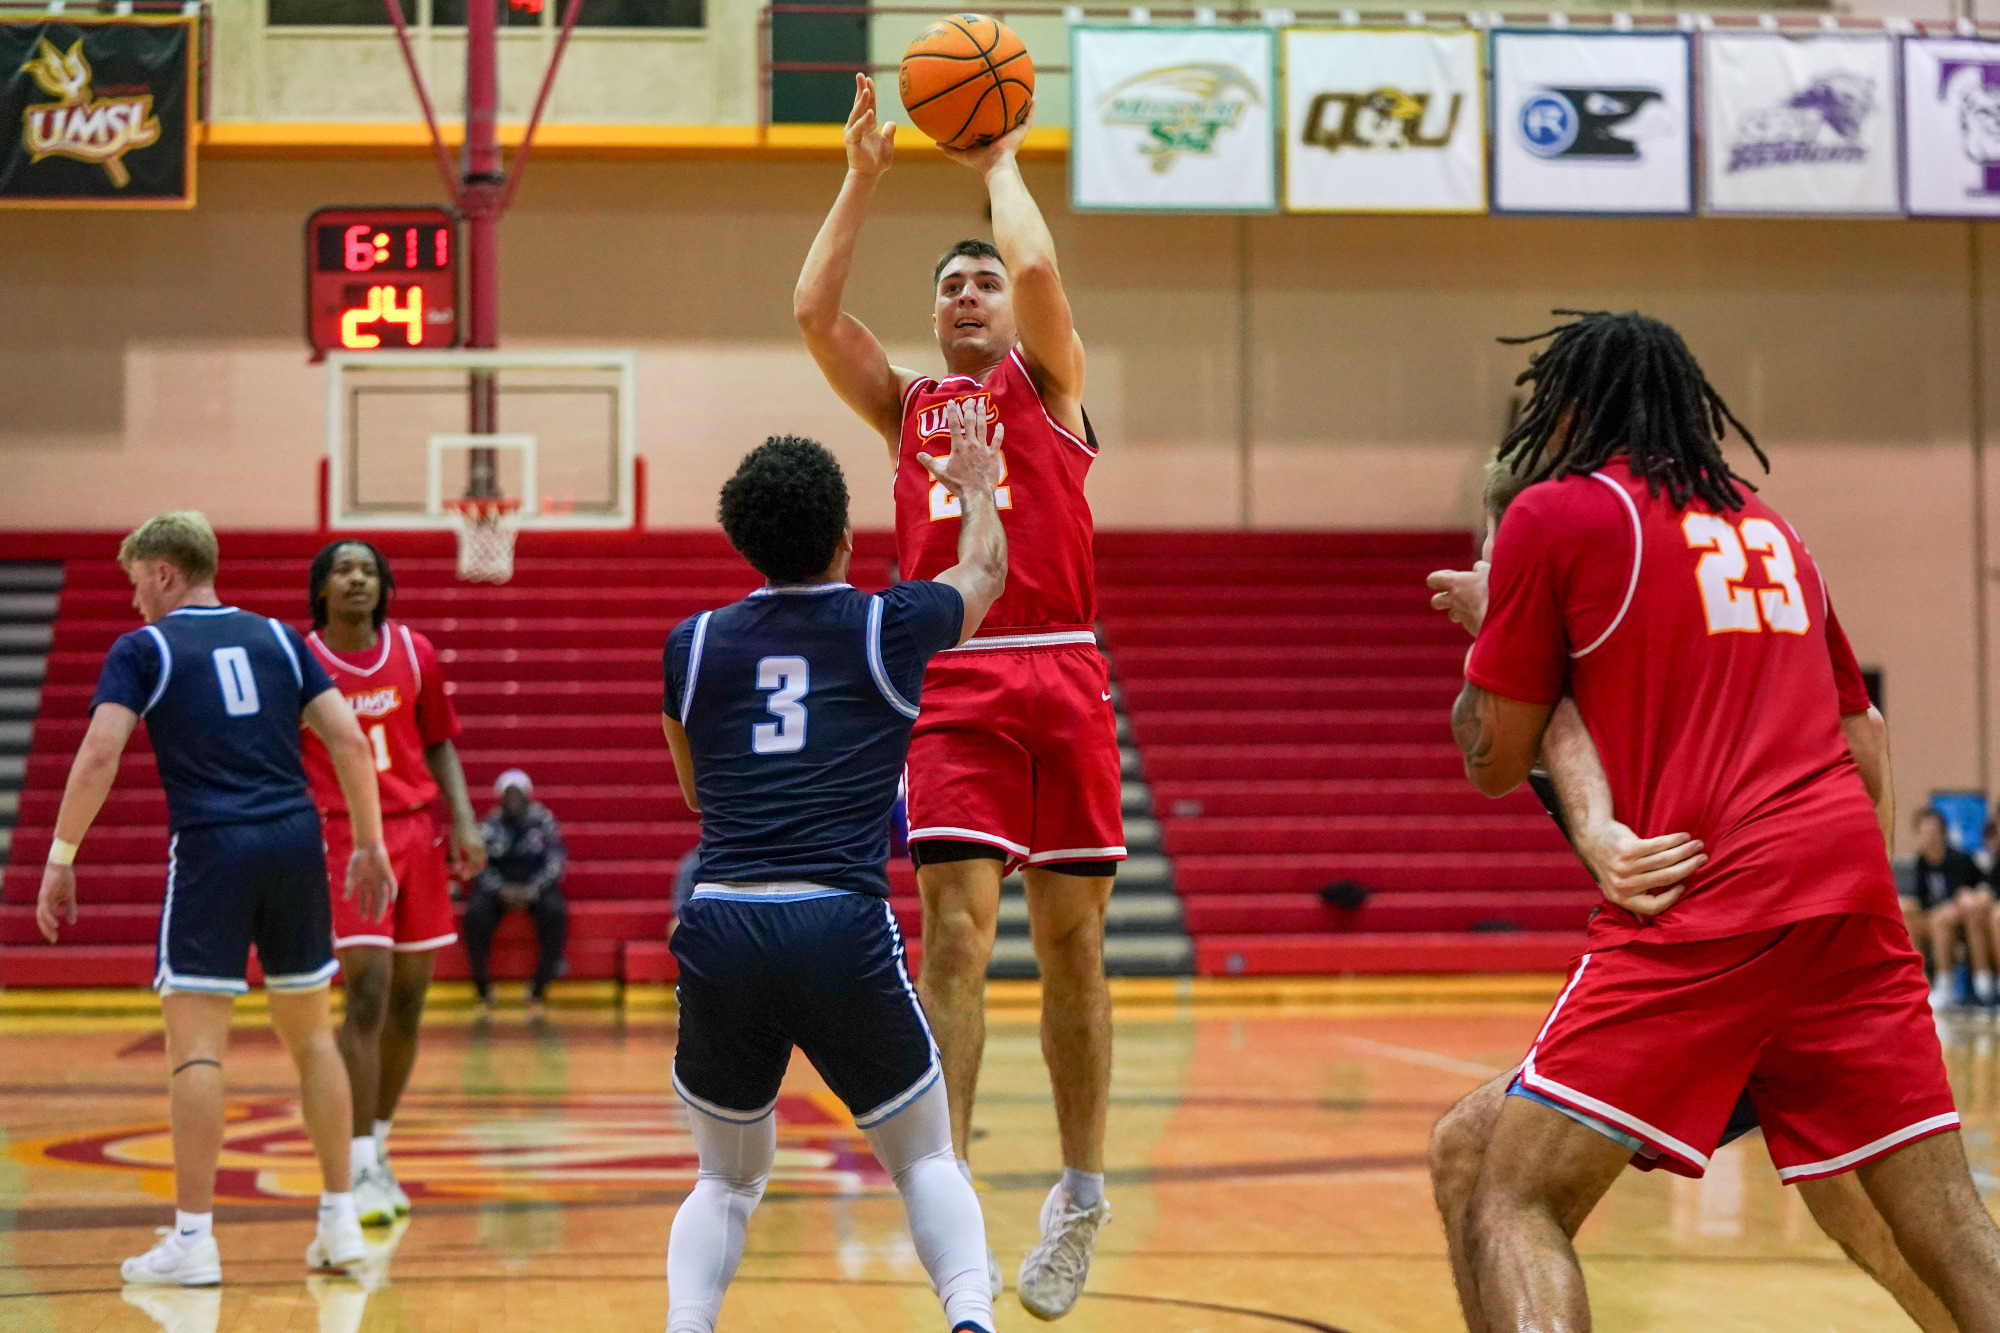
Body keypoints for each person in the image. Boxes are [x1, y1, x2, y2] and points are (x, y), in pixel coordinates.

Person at [1450, 311, 2000, 1329]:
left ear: (1571, 405)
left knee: (1512, 1194)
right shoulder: (1769, 528)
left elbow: (1492, 759)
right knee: (1949, 1226)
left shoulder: (1556, 514)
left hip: (1709, 892)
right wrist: (1844, 884)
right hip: (1844, 887)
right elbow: (1862, 731)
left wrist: (1493, 629)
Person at [794, 74, 1121, 1316]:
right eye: (949, 285)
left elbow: (1040, 276)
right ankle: (957, 1205)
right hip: (953, 683)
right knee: (952, 939)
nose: (968, 294)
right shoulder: (912, 408)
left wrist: (995, 161)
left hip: (1066, 669)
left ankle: (1079, 1194)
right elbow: (814, 310)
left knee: (1072, 950)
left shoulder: (1047, 383)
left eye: (977, 280)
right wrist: (863, 175)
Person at [657, 419, 1006, 1333]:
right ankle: (971, 1316)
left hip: (723, 918)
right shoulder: (888, 623)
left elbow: (697, 791)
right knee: (925, 1157)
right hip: (836, 921)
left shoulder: (688, 646)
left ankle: (686, 1324)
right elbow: (985, 575)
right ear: (845, 541)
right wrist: (975, 482)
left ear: (745, 543)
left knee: (725, 1177)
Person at [34, 511, 396, 1285]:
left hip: (212, 848)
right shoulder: (278, 636)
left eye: (137, 583)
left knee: (196, 1045)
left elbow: (101, 748)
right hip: (297, 840)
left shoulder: (144, 648)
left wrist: (60, 857)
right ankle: (340, 1225)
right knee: (314, 1040)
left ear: (164, 572)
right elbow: (350, 739)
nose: (135, 601)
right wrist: (368, 842)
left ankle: (194, 1237)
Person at [300, 539, 486, 1227]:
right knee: (367, 993)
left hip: (416, 832)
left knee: (409, 1001)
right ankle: (353, 1161)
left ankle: (377, 1147)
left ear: (384, 585)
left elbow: (438, 740)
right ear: (321, 587)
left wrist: (464, 820)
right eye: (344, 570)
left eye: (368, 570)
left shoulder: (415, 652)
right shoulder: (300, 659)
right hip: (345, 836)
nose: (357, 579)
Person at [462, 769, 570, 1016]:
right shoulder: (489, 825)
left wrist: (531, 890)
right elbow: (477, 865)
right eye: (508, 795)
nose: (513, 801)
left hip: (535, 885)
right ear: (500, 798)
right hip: (499, 886)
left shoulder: (543, 822)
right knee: (475, 916)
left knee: (556, 913)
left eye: (517, 795)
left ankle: (538, 987)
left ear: (527, 796)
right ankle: (483, 986)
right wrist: (500, 889)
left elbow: (556, 861)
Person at [1906, 807, 1994, 1009]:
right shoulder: (1921, 861)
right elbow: (1923, 901)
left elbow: (1968, 894)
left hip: (1966, 919)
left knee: (1940, 919)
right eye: (1925, 832)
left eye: (1934, 832)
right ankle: (1920, 980)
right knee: (1907, 912)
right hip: (1939, 916)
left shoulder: (1958, 859)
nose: (1929, 838)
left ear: (1944, 833)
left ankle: (1946, 985)